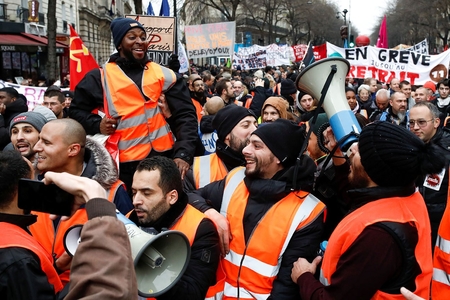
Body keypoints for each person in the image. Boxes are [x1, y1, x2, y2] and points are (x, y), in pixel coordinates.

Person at [291, 121, 446, 299]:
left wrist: (303, 277)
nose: (353, 149)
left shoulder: (379, 237)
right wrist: (338, 155)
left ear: (374, 171)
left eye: (361, 151)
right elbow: (358, 197)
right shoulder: (403, 193)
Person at [189, 119, 325, 299]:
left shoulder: (308, 210)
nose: (245, 150)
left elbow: (285, 289)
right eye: (248, 143)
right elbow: (191, 197)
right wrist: (210, 213)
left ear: (279, 157)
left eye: (257, 146)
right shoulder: (236, 178)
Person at [69, 17, 199, 192]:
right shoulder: (99, 77)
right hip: (125, 166)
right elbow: (76, 113)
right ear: (119, 44)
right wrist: (97, 125)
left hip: (165, 158)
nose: (139, 41)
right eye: (132, 37)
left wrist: (183, 154)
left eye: (143, 37)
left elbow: (186, 116)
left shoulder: (165, 75)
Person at [0, 150, 137, 300]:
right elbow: (111, 294)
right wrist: (96, 198)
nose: (39, 148)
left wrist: (55, 269)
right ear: (19, 192)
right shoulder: (17, 260)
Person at [30, 118, 133, 285]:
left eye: (46, 142)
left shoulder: (112, 191)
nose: (36, 147)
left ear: (73, 149)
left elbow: (128, 251)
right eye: (39, 139)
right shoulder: (31, 183)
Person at [127, 156, 221, 299]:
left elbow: (193, 293)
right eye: (134, 192)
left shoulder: (201, 228)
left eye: (146, 193)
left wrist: (152, 270)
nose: (136, 201)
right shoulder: (129, 219)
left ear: (172, 197)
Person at [184, 105, 257, 191]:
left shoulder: (265, 163)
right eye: (245, 125)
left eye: (256, 125)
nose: (255, 130)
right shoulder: (196, 170)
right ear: (227, 135)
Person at [409, 102, 450, 247]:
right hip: (414, 221)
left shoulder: (446, 152)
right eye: (411, 122)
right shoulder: (410, 146)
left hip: (438, 228)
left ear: (436, 122)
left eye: (421, 122)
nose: (415, 128)